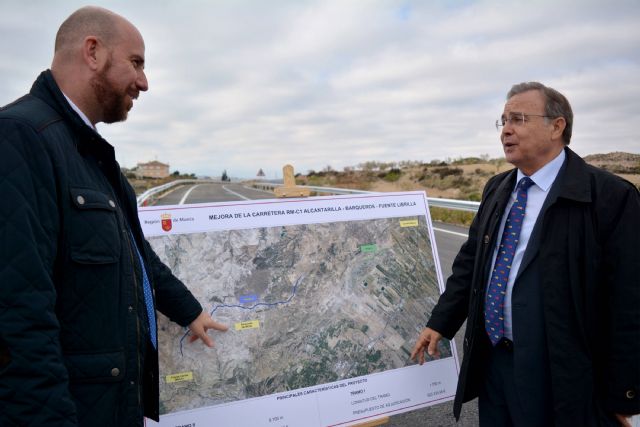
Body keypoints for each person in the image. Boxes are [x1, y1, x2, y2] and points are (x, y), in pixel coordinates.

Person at [0, 7, 227, 426]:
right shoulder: (20, 138)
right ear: (92, 52)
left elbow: (134, 254)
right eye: (136, 63)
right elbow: (18, 317)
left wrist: (190, 311)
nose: (144, 82)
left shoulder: (90, 152)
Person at [411, 82, 639, 426]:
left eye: (518, 118)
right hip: (495, 364)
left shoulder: (610, 197)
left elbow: (629, 302)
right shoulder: (498, 188)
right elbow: (472, 263)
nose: (506, 130)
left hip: (563, 374)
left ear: (557, 126)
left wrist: (625, 395)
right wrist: (440, 322)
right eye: (503, 121)